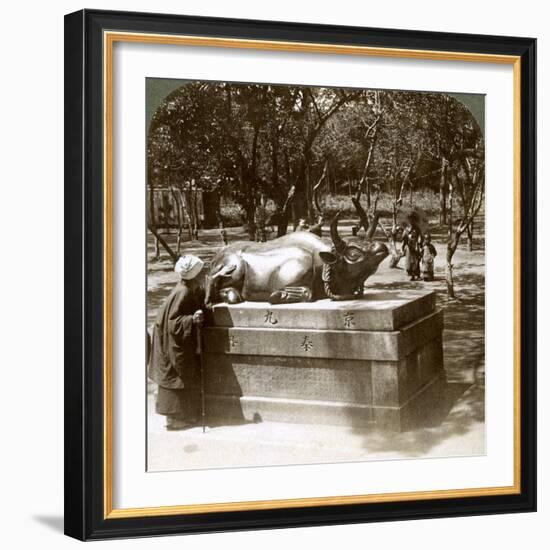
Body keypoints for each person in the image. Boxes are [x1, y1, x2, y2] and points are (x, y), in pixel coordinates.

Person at [148, 254, 205, 430]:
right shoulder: (184, 292)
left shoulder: (185, 288)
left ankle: (180, 417)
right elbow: (174, 322)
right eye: (201, 273)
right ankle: (174, 419)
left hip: (168, 340)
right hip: (171, 343)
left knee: (178, 377)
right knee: (176, 377)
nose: (203, 276)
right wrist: (192, 319)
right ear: (194, 276)